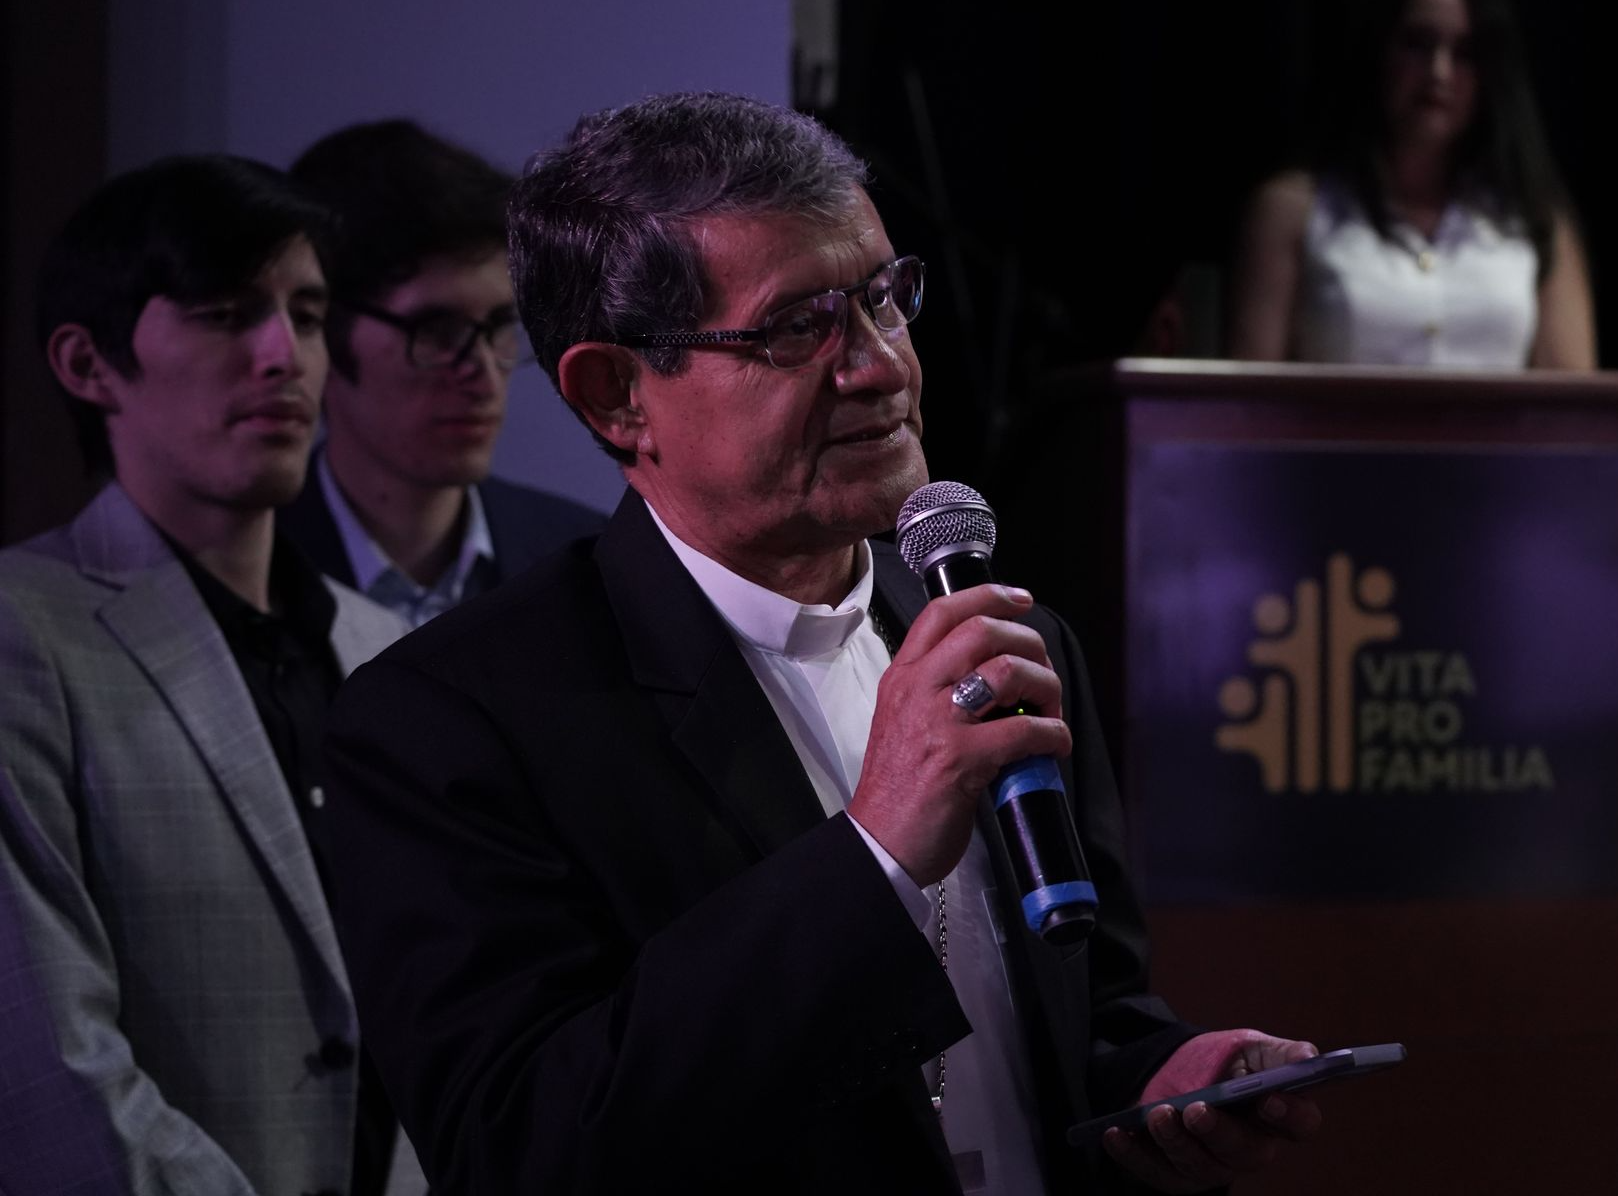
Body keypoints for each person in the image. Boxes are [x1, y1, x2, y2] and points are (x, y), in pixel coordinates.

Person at [322, 92, 1324, 1195]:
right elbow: (524, 1148)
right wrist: (876, 851)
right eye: (799, 327)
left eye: (886, 298)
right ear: (617, 397)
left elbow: (1086, 1015)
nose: (882, 364)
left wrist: (1156, 1079)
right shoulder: (448, 724)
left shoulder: (1010, 636)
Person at [0, 156, 416, 1194]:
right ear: (88, 363)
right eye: (226, 314)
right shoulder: (26, 630)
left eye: (307, 316)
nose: (285, 356)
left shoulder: (383, 646)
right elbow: (53, 1069)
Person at [280, 119, 604, 626]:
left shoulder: (588, 566)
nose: (483, 375)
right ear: (323, 330)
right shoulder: (251, 568)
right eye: (436, 331)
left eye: (499, 325)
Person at [1226, 0, 1595, 370]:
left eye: (1465, 53)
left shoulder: (1534, 219)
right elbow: (1246, 398)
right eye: (1419, 44)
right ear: (1379, 53)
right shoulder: (1294, 210)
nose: (1439, 72)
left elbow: (1575, 400)